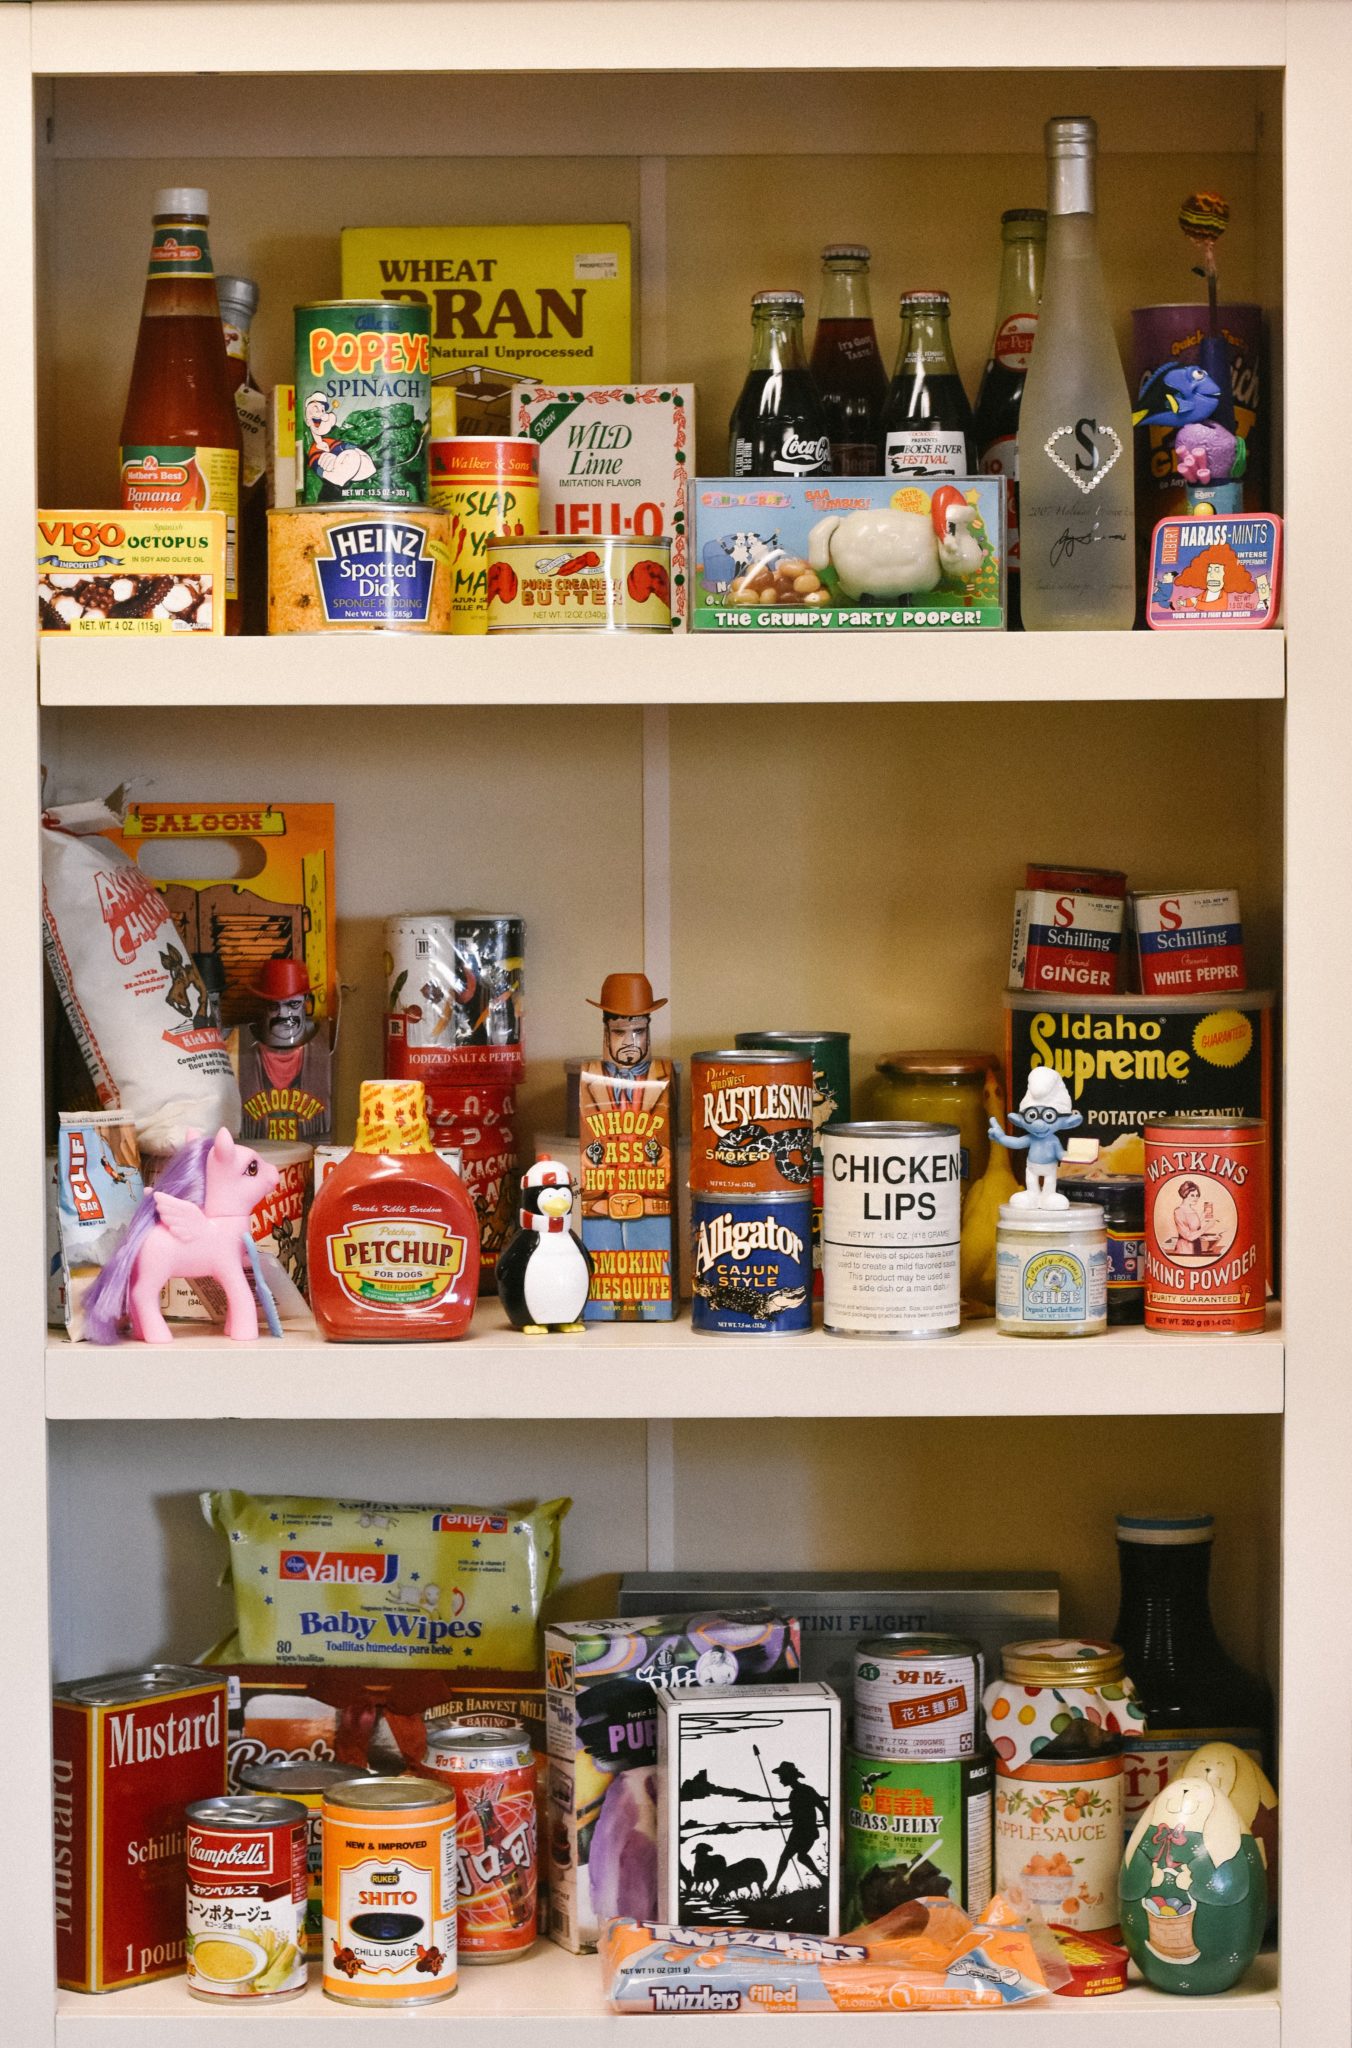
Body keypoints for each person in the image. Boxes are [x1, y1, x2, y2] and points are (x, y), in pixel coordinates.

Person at [237, 956, 331, 1142]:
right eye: (274, 1006)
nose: (283, 1014)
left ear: (307, 1002)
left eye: (292, 1004)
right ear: (262, 1007)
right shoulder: (239, 1044)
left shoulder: (323, 1045)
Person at [768, 1760, 830, 1895]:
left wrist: (828, 1825)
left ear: (788, 1776)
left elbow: (821, 1808)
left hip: (803, 1831)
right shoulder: (799, 1791)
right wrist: (781, 1818)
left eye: (781, 1777)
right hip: (805, 1830)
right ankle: (822, 1879)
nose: (780, 1780)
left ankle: (774, 1884)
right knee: (801, 1856)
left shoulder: (803, 1791)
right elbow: (805, 1811)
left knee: (786, 1857)